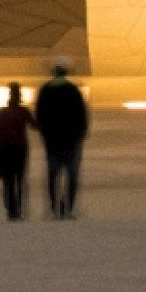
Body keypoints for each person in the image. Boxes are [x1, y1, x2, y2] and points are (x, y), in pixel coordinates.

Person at [35, 62, 90, 218]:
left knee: (53, 176)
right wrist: (80, 134)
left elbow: (40, 116)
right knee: (71, 177)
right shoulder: (73, 91)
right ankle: (67, 208)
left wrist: (45, 134)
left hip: (53, 142)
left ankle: (55, 208)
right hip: (71, 141)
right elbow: (82, 115)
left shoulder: (45, 91)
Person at [0, 82, 34, 220]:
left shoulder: (1, 113)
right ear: (19, 95)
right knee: (19, 179)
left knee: (8, 181)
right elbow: (35, 125)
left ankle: (11, 208)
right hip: (20, 149)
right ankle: (18, 208)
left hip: (5, 150)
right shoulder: (23, 112)